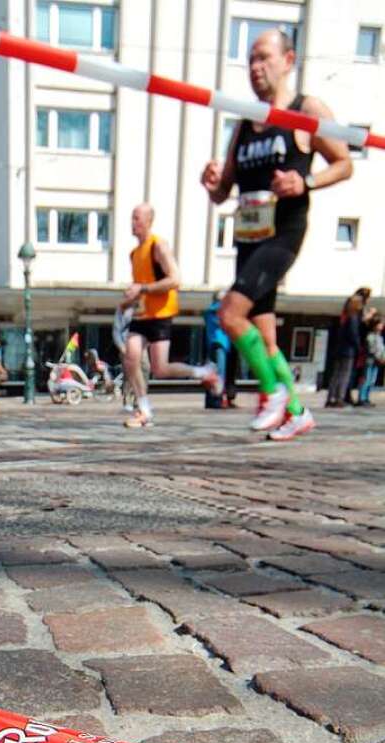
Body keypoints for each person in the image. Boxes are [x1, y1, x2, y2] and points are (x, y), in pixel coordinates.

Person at [202, 29, 353, 440]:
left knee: (229, 315)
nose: (255, 67)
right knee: (265, 338)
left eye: (264, 57)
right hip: (249, 235)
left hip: (283, 233)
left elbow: (344, 163)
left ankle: (272, 393)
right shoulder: (245, 123)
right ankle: (298, 412)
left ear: (288, 61)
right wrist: (211, 180)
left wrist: (306, 182)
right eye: (250, 59)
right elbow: (221, 192)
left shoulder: (307, 109)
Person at [121, 204, 221, 428]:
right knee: (131, 357)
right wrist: (129, 300)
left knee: (160, 369)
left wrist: (142, 289)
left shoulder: (159, 246)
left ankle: (203, 371)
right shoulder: (134, 254)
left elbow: (175, 279)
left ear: (148, 221)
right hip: (142, 314)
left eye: (137, 218)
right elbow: (141, 286)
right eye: (132, 218)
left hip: (161, 314)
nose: (133, 223)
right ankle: (143, 409)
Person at [203, 291, 238, 409]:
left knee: (212, 372)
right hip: (220, 344)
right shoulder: (218, 310)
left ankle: (211, 399)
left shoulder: (210, 311)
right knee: (219, 373)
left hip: (214, 343)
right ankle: (216, 399)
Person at [327, 296, 362, 407]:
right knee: (344, 375)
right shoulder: (353, 317)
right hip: (348, 351)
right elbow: (353, 334)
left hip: (339, 349)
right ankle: (339, 399)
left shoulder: (344, 316)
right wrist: (358, 347)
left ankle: (331, 398)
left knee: (336, 374)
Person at [357, 316, 383, 407]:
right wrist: (378, 357)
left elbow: (381, 349)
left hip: (377, 362)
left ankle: (367, 398)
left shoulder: (379, 337)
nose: (382, 326)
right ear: (375, 325)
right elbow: (371, 349)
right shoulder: (370, 336)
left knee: (372, 380)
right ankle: (362, 398)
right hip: (370, 361)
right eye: (380, 324)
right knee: (366, 380)